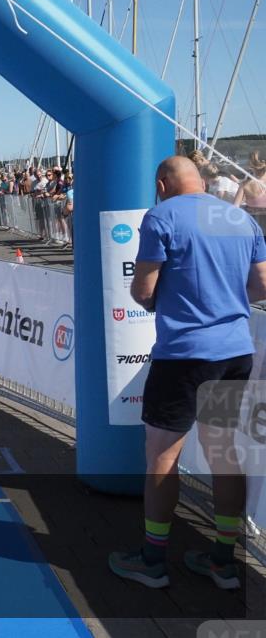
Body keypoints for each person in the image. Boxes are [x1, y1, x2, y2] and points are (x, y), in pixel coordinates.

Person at [109, 156, 266, 590]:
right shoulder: (240, 219)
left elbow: (143, 290)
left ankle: (153, 561)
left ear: (162, 184)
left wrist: (172, 303)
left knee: (162, 454)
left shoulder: (161, 217)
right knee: (223, 452)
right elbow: (261, 286)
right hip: (235, 351)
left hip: (183, 355)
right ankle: (222, 561)